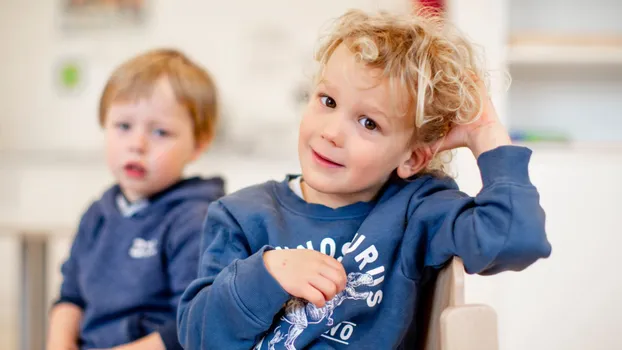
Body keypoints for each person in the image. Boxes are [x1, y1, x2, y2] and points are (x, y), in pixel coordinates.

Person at [177, 9, 552, 350]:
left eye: (369, 123)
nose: (332, 133)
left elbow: (515, 239)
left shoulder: (417, 210)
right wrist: (268, 274)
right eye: (327, 101)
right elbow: (198, 338)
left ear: (413, 157)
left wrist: (486, 133)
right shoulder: (239, 215)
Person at [46, 48, 225, 350]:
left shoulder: (195, 219)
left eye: (160, 132)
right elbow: (71, 298)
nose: (137, 144)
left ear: (198, 145)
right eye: (123, 126)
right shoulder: (97, 214)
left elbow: (194, 323)